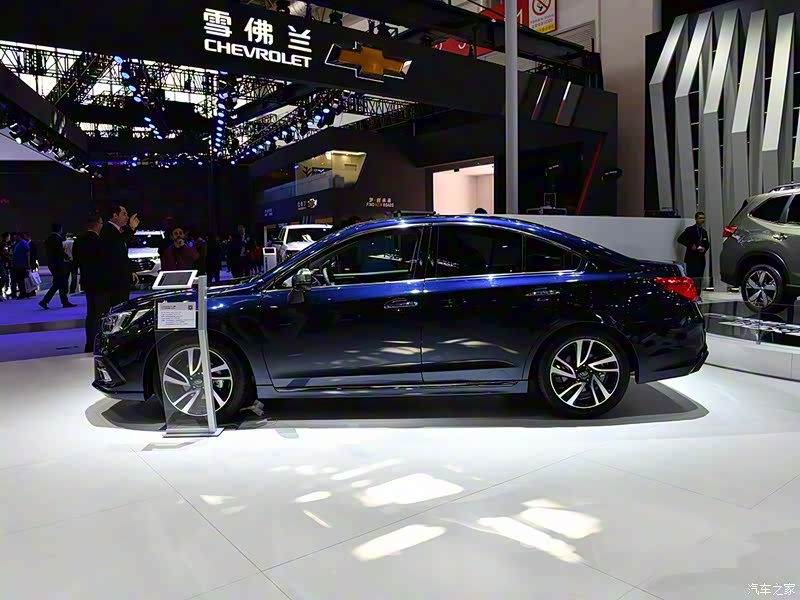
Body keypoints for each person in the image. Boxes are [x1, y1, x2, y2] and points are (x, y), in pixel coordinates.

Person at [73, 213, 105, 352]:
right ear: (97, 224)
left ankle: (89, 343)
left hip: (87, 280)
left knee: (91, 313)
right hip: (100, 281)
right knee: (99, 313)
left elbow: (76, 261)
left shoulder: (79, 241)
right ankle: (97, 343)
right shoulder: (100, 241)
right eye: (101, 223)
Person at [100, 205, 140, 310]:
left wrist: (130, 271)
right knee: (117, 308)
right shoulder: (108, 230)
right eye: (124, 214)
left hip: (120, 278)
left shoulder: (117, 231)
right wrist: (131, 228)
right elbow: (117, 249)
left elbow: (122, 254)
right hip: (115, 280)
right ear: (115, 216)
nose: (127, 217)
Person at [40, 223, 77, 310]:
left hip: (51, 263)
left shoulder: (48, 238)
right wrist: (66, 256)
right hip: (58, 263)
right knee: (60, 282)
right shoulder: (58, 238)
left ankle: (63, 301)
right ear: (60, 229)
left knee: (59, 282)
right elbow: (59, 251)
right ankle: (46, 300)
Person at [678, 211, 710, 298]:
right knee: (691, 277)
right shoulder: (690, 230)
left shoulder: (704, 232)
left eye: (703, 218)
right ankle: (690, 294)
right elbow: (680, 239)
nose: (702, 220)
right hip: (691, 258)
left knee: (699, 278)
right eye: (700, 218)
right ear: (696, 219)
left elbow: (707, 243)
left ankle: (698, 295)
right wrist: (690, 245)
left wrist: (704, 248)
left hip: (700, 258)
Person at [10, 232, 31, 299]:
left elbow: (28, 254)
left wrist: (28, 264)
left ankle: (23, 293)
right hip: (18, 265)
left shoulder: (23, 243)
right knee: (20, 280)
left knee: (21, 280)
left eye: (17, 236)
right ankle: (22, 293)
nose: (15, 237)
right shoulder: (19, 243)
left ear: (19, 236)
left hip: (22, 265)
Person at [0, 232, 11, 301]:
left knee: (4, 276)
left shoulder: (3, 243)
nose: (10, 237)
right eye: (9, 236)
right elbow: (4, 253)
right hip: (1, 262)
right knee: (4, 276)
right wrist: (10, 255)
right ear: (7, 237)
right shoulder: (4, 244)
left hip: (3, 262)